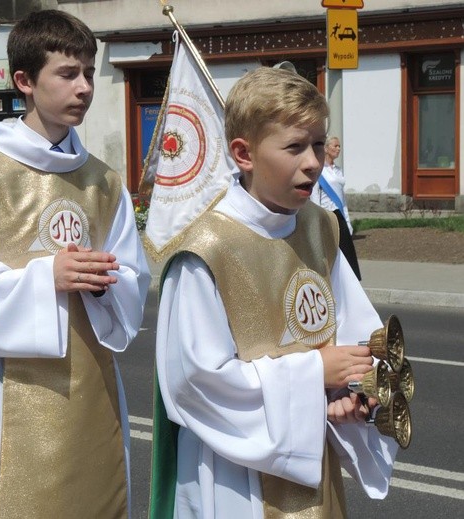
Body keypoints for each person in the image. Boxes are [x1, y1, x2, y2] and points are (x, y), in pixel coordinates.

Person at [0, 9, 150, 518]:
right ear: (24, 81)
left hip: (93, 388)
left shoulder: (106, 184)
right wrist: (47, 278)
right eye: (68, 74)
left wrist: (107, 283)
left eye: (88, 72)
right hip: (11, 395)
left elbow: (135, 278)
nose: (85, 87)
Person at [150, 67, 397, 518]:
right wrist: (314, 374)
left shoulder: (320, 228)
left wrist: (355, 389)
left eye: (319, 144)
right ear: (244, 154)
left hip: (310, 457)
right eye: (295, 147)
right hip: (232, 474)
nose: (313, 162)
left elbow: (359, 332)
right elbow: (196, 382)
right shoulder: (206, 250)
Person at [311, 136, 362, 280]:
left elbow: (342, 199)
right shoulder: (320, 171)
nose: (338, 149)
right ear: (326, 149)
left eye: (339, 146)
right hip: (327, 216)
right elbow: (315, 198)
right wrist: (318, 221)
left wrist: (348, 221)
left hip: (340, 216)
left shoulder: (338, 171)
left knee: (347, 257)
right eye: (335, 146)